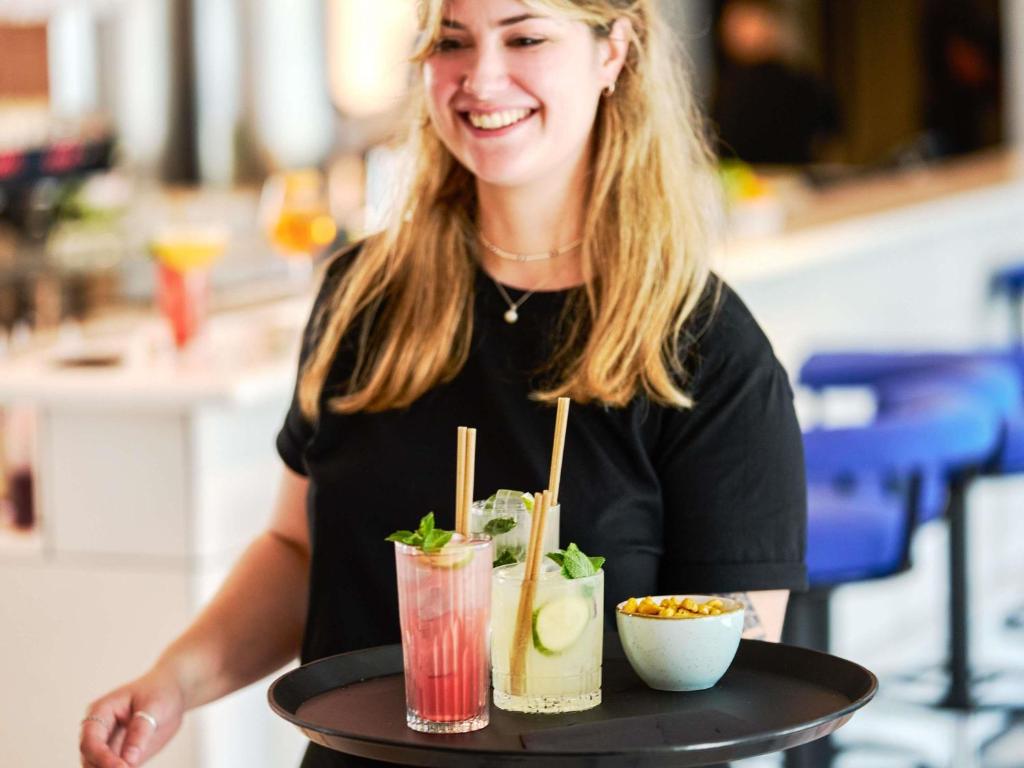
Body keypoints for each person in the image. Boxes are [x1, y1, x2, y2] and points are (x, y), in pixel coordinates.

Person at [79, 1, 806, 767]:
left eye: (525, 36)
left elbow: (730, 668)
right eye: (451, 41)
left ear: (612, 54)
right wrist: (174, 682)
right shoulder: (363, 295)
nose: (481, 78)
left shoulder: (702, 346)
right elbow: (297, 552)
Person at [712, 0, 839, 165]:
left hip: (791, 180)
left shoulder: (798, 82)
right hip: (741, 182)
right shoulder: (727, 83)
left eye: (749, 18)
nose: (734, 29)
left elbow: (829, 131)